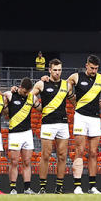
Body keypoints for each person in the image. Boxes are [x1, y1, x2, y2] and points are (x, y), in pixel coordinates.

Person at [66, 55, 101, 194]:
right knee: (80, 151)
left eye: (96, 68)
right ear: (86, 65)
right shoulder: (76, 77)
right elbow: (64, 88)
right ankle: (77, 185)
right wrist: (74, 102)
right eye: (92, 68)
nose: (94, 70)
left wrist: (99, 106)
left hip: (95, 118)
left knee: (94, 153)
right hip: (81, 117)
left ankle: (92, 186)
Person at [31, 58, 70, 193]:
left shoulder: (67, 85)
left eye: (59, 70)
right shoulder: (42, 84)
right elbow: (29, 96)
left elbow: (74, 99)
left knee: (62, 156)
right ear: (49, 70)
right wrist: (37, 106)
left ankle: (59, 187)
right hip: (48, 123)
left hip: (63, 123)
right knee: (46, 155)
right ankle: (42, 187)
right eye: (55, 70)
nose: (57, 73)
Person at [5, 77, 37, 194]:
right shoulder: (10, 95)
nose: (26, 94)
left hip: (27, 133)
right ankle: (13, 188)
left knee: (27, 161)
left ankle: (27, 188)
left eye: (28, 92)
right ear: (20, 87)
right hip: (14, 133)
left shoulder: (31, 97)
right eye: (25, 91)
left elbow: (39, 108)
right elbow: (2, 94)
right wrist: (10, 90)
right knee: (14, 161)